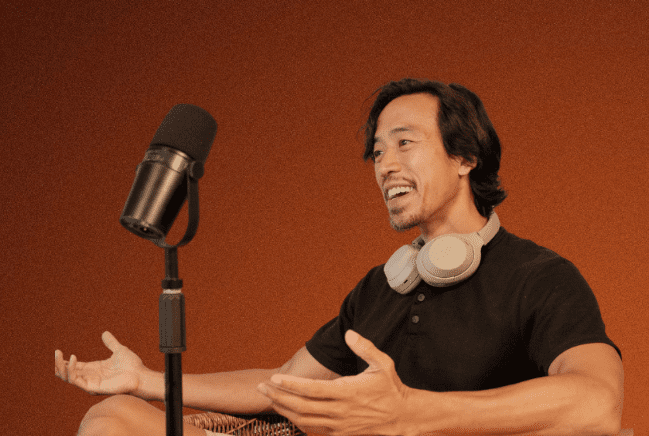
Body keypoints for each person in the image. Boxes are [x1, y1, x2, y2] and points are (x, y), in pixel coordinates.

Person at [55, 79, 624, 436]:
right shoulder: (382, 287)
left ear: (465, 157)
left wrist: (410, 413)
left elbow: (597, 402)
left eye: (404, 142)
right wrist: (146, 380)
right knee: (113, 420)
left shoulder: (539, 277)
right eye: (377, 152)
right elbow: (282, 386)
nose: (385, 164)